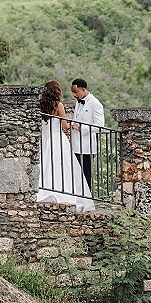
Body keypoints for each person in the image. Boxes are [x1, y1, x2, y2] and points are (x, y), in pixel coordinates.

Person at [36, 80, 95, 212]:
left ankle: (43, 190)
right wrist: (72, 126)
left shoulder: (40, 105)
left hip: (44, 139)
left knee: (45, 165)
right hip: (57, 139)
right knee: (61, 167)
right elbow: (64, 126)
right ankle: (62, 192)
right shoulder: (59, 106)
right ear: (57, 91)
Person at [70, 78, 104, 190]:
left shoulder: (95, 104)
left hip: (86, 146)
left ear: (83, 89)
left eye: (76, 92)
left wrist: (80, 128)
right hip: (75, 144)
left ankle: (87, 200)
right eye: (73, 92)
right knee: (75, 174)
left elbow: (99, 126)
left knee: (86, 175)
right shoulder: (78, 103)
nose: (74, 95)